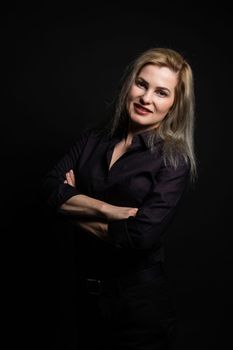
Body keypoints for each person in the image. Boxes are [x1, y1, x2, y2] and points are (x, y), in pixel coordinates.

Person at [43, 47, 197, 350]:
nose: (146, 98)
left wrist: (71, 207)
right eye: (142, 84)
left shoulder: (173, 161)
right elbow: (49, 188)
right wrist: (108, 210)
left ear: (174, 105)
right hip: (85, 298)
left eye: (161, 92)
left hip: (138, 308)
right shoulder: (94, 139)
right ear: (129, 83)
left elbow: (140, 236)